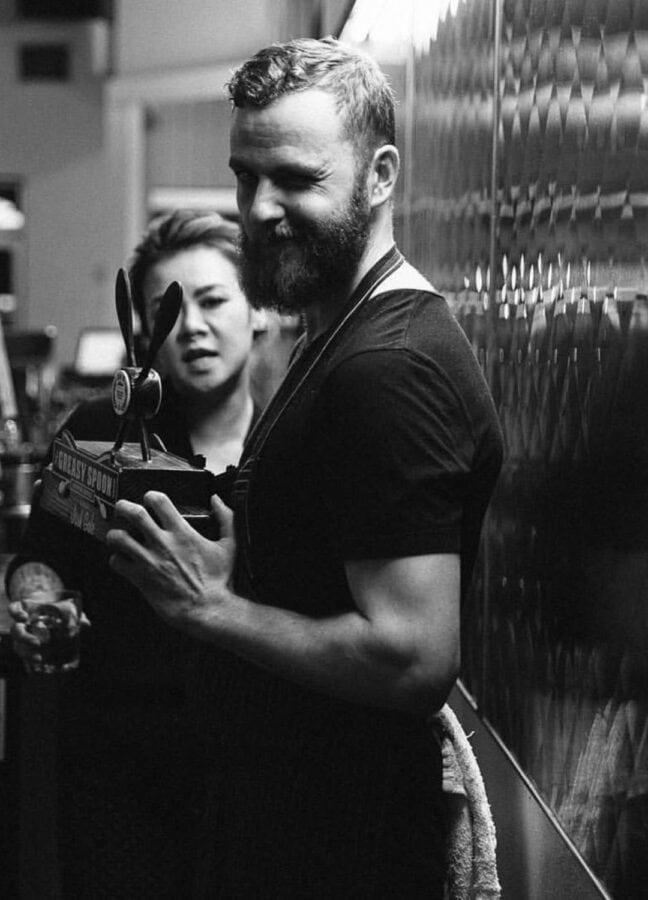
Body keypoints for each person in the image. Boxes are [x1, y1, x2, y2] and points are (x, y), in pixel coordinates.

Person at [106, 36, 504, 899]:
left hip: (341, 847)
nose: (260, 208)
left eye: (297, 179)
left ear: (380, 173)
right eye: (247, 176)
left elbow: (412, 658)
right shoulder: (334, 338)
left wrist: (215, 609)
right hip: (286, 824)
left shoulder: (387, 367)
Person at [5, 209, 263, 897]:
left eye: (213, 300)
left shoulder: (293, 440)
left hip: (260, 775)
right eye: (171, 312)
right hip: (118, 770)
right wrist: (40, 603)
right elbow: (40, 558)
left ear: (256, 310)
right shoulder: (99, 431)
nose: (196, 326)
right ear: (147, 330)